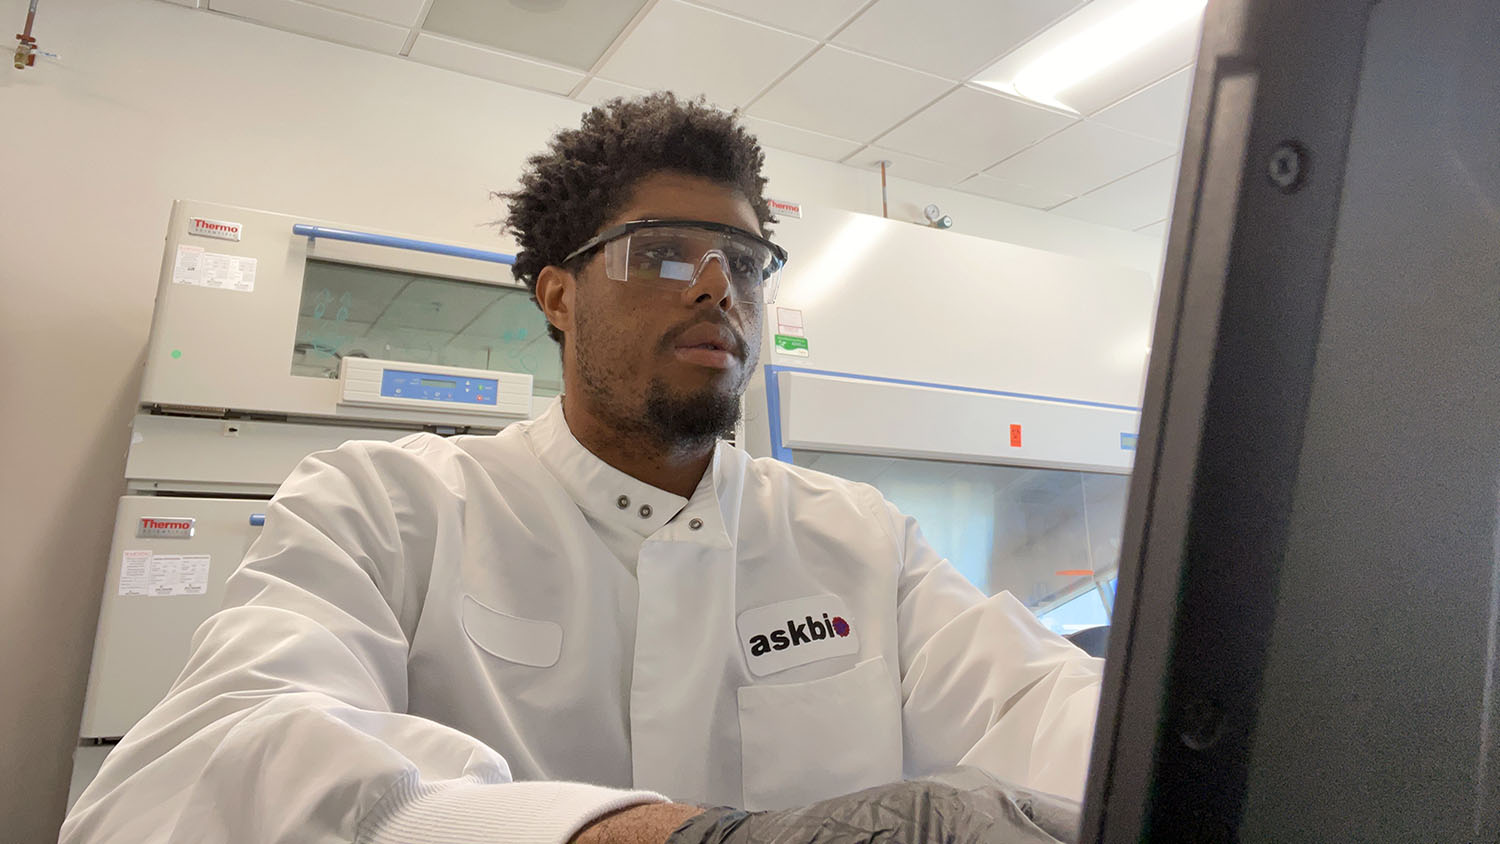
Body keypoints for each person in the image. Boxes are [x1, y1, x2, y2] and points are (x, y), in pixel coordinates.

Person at [61, 93, 1102, 844]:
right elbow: (193, 773)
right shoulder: (386, 508)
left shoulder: (862, 537)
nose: (715, 288)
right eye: (662, 252)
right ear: (558, 297)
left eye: (743, 262)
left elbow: (1044, 706)